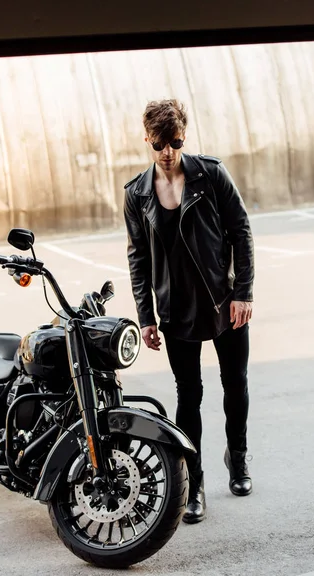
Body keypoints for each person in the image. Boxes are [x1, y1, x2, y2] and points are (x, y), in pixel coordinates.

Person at [123, 99, 254, 524]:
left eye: (175, 142)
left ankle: (238, 457)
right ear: (147, 139)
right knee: (189, 397)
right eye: (159, 143)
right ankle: (194, 483)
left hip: (223, 303)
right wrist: (145, 316)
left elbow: (241, 231)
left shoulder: (210, 174)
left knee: (234, 383)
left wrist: (244, 293)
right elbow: (138, 258)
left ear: (185, 136)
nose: (167, 152)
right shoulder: (137, 194)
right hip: (177, 311)